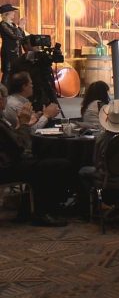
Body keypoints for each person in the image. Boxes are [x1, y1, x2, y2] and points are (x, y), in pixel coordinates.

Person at [0, 83, 73, 226]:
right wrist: (24, 124)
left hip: (9, 162)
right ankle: (43, 212)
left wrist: (24, 124)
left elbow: (14, 141)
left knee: (47, 157)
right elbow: (20, 146)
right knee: (59, 165)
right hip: (6, 167)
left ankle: (29, 209)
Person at [78, 100, 119, 216]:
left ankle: (91, 207)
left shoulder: (102, 139)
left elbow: (96, 162)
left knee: (82, 171)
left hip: (107, 178)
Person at [0, 4, 22, 85]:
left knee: (16, 71)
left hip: (16, 52)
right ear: (7, 13)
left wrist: (20, 28)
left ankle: (13, 90)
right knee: (8, 71)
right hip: (8, 52)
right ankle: (3, 91)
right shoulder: (3, 24)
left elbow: (21, 36)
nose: (14, 13)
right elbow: (14, 36)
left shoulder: (13, 24)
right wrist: (20, 27)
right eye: (12, 11)